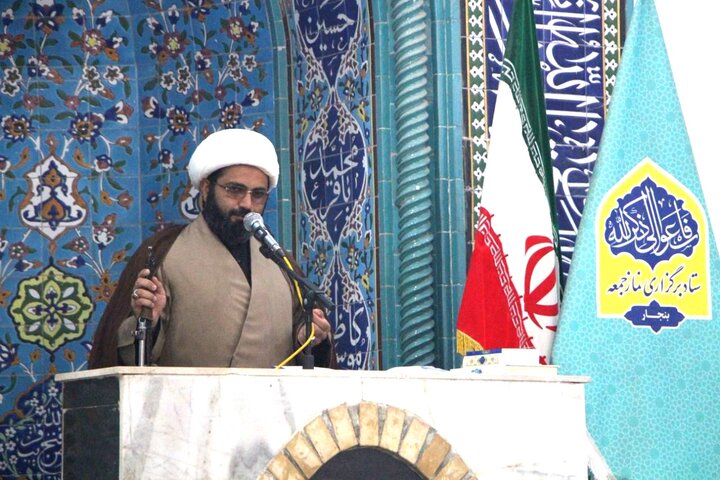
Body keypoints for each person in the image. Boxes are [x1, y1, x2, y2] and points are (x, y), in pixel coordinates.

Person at [88, 129, 334, 368]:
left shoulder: (282, 264)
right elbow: (124, 359)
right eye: (235, 190)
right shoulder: (163, 252)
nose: (247, 204)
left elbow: (306, 352)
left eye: (258, 194)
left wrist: (309, 338)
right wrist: (147, 323)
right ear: (206, 189)